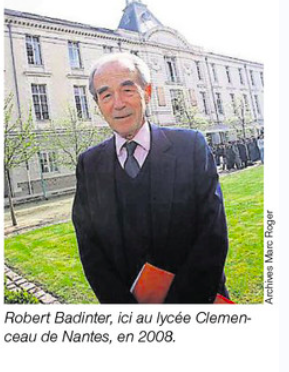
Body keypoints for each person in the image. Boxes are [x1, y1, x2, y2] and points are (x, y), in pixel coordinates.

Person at [72, 53, 229, 304]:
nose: (118, 103)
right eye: (106, 95)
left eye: (127, 89)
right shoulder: (88, 165)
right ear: (98, 104)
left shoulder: (190, 147)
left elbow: (212, 235)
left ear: (147, 92)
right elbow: (90, 248)